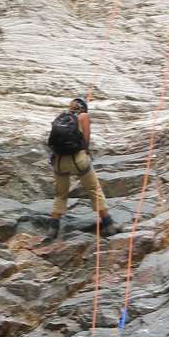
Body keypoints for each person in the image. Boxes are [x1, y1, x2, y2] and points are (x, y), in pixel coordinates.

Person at [47, 94, 113, 239]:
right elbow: (86, 140)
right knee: (93, 189)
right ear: (83, 107)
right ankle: (109, 225)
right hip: (78, 159)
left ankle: (53, 229)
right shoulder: (83, 116)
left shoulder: (61, 117)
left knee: (60, 194)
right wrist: (86, 154)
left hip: (59, 161)